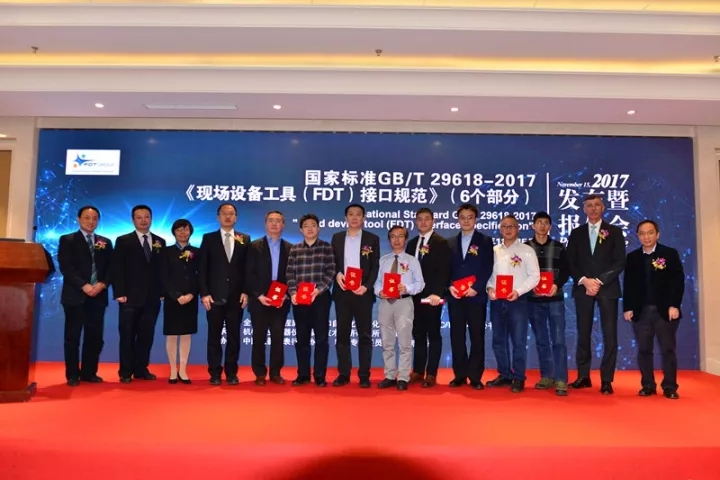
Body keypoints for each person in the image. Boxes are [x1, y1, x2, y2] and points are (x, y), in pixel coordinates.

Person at [566, 194, 626, 395]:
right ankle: (583, 376)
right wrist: (584, 280)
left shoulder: (614, 231)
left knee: (610, 335)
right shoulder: (576, 233)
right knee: (583, 333)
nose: (593, 208)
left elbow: (619, 261)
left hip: (607, 289)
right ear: (584, 209)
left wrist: (599, 281)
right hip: (583, 288)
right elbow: (571, 261)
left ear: (603, 208)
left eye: (597, 205)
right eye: (589, 205)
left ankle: (607, 380)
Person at [623, 220, 685, 400]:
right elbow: (628, 285)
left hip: (665, 311)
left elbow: (678, 282)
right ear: (637, 236)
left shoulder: (669, 254)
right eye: (642, 233)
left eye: (650, 233)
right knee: (644, 350)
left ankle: (670, 386)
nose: (646, 236)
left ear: (657, 234)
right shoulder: (633, 257)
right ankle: (648, 385)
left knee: (668, 350)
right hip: (641, 312)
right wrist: (628, 307)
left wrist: (674, 305)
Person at [58, 206, 113, 386]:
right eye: (87, 217)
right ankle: (72, 374)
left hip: (98, 296)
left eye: (95, 218)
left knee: (95, 337)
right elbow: (66, 268)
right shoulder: (68, 240)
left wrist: (102, 283)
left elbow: (111, 268)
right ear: (78, 219)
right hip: (75, 295)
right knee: (72, 337)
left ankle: (89, 373)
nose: (91, 221)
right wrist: (84, 285)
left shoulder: (105, 242)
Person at [112, 205, 166, 383]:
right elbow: (117, 268)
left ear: (151, 219)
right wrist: (119, 292)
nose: (143, 220)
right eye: (139, 217)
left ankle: (141, 369)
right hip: (129, 297)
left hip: (152, 298)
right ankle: (125, 372)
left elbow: (161, 270)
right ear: (133, 220)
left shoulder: (160, 241)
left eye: (146, 217)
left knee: (146, 336)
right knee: (127, 336)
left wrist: (162, 291)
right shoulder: (123, 240)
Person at [486, 215, 540, 393]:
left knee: (518, 341)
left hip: (518, 301)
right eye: (504, 226)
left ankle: (518, 377)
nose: (508, 229)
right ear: (500, 229)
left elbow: (535, 276)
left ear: (518, 229)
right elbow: (488, 276)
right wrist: (489, 289)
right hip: (497, 302)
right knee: (498, 341)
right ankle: (504, 374)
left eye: (511, 226)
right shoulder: (493, 251)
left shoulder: (527, 251)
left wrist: (519, 291)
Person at [198, 203, 250, 386]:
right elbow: (202, 269)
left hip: (236, 298)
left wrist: (246, 291)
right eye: (224, 213)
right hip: (214, 297)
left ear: (236, 217)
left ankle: (231, 372)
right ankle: (214, 372)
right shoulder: (209, 238)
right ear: (218, 217)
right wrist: (204, 293)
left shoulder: (244, 238)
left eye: (231, 214)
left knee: (234, 337)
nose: (228, 216)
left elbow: (247, 269)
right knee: (214, 337)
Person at [331, 204, 380, 388]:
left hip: (362, 294)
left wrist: (366, 287)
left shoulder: (372, 239)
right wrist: (337, 274)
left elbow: (375, 267)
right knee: (342, 335)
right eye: (351, 214)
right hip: (343, 292)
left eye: (358, 215)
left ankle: (364, 375)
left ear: (363, 218)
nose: (354, 217)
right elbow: (332, 262)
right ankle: (343, 374)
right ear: (346, 218)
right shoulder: (337, 238)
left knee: (365, 335)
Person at [447, 203, 494, 389]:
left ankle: (475, 376)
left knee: (477, 336)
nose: (466, 221)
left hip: (476, 296)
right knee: (457, 336)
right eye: (462, 217)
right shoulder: (449, 242)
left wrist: (477, 287)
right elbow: (445, 269)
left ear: (475, 219)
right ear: (458, 220)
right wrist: (450, 286)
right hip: (456, 297)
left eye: (470, 217)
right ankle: (459, 375)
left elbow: (487, 267)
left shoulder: (485, 241)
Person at [286, 213, 336, 387]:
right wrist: (293, 293)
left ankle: (320, 376)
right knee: (302, 338)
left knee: (321, 339)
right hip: (300, 300)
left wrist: (318, 290)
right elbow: (289, 274)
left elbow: (331, 272)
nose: (309, 228)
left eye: (313, 225)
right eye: (306, 226)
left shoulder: (326, 248)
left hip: (320, 299)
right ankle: (303, 374)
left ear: (318, 228)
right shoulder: (295, 249)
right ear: (301, 230)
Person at [525, 212, 571, 395]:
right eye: (539, 223)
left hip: (555, 300)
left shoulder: (559, 247)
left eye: (546, 223)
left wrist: (556, 284)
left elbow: (566, 271)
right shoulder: (526, 248)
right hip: (533, 301)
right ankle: (547, 376)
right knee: (542, 340)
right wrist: (530, 287)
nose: (542, 226)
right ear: (533, 225)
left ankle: (561, 379)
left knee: (559, 340)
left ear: (550, 227)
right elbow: (522, 273)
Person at [405, 207, 451, 388]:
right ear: (416, 222)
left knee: (433, 334)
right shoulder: (412, 243)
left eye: (427, 219)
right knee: (418, 333)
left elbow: (444, 270)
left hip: (432, 297)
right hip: (414, 296)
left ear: (433, 221)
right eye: (420, 219)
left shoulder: (441, 242)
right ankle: (418, 370)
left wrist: (438, 293)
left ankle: (431, 373)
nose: (423, 222)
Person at [374, 225, 425, 391]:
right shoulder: (383, 260)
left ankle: (403, 377)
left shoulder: (412, 261)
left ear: (405, 239)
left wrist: (407, 288)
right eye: (393, 236)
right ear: (389, 240)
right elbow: (377, 283)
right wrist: (379, 292)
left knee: (404, 342)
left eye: (400, 236)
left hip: (404, 302)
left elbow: (420, 283)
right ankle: (389, 375)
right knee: (387, 342)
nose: (396, 239)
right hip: (385, 303)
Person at [245, 211, 293, 386]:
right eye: (271, 220)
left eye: (278, 221)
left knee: (278, 338)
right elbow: (248, 273)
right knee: (259, 338)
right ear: (266, 224)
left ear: (283, 225)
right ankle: (259, 373)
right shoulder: (254, 246)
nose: (274, 223)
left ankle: (275, 372)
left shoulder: (290, 248)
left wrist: (287, 294)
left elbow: (292, 275)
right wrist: (258, 295)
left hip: (281, 300)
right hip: (260, 300)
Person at [160, 219, 199, 384]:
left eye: (186, 229)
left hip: (190, 298)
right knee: (172, 334)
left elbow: (200, 276)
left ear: (190, 232)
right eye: (179, 230)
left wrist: (191, 294)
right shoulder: (166, 252)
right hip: (172, 299)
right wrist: (176, 295)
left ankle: (183, 370)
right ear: (174, 232)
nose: (183, 233)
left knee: (186, 333)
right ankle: (172, 370)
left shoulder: (197, 252)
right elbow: (163, 276)